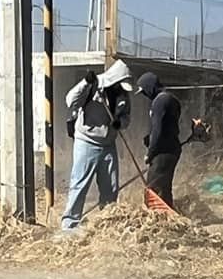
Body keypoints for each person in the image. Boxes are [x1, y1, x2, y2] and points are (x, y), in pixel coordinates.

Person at [60, 59, 131, 230]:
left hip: (108, 144)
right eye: (120, 84)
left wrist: (120, 123)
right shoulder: (94, 85)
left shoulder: (123, 96)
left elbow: (127, 117)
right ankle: (69, 223)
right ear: (114, 80)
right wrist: (85, 82)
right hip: (87, 142)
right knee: (80, 182)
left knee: (111, 186)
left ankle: (107, 222)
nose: (121, 88)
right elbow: (71, 100)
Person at [135, 71, 205, 210]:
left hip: (163, 152)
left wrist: (150, 152)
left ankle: (159, 217)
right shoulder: (170, 99)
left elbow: (158, 129)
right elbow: (168, 126)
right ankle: (166, 215)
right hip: (170, 149)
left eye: (144, 91)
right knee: (163, 187)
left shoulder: (160, 101)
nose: (144, 95)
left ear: (150, 87)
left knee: (154, 188)